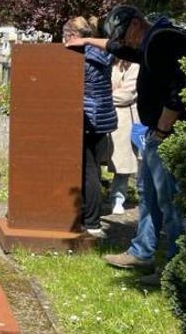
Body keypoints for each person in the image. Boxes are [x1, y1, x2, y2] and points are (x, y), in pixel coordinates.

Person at [65, 5, 186, 285]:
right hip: (155, 134)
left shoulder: (162, 41)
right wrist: (87, 40)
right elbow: (119, 48)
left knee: (171, 204)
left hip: (166, 135)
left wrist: (161, 130)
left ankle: (176, 269)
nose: (124, 42)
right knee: (148, 197)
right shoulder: (147, 40)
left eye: (125, 35)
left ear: (137, 23)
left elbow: (177, 91)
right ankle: (142, 252)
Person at [63, 17, 116, 238]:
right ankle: (92, 217)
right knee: (94, 167)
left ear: (74, 37)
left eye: (65, 37)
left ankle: (92, 222)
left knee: (88, 171)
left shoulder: (80, 58)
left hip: (86, 118)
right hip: (103, 118)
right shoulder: (103, 53)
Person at [108, 59, 140, 215]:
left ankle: (118, 199)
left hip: (124, 119)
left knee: (122, 165)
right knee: (95, 162)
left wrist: (104, 93)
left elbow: (126, 95)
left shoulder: (134, 65)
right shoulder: (107, 62)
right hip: (103, 115)